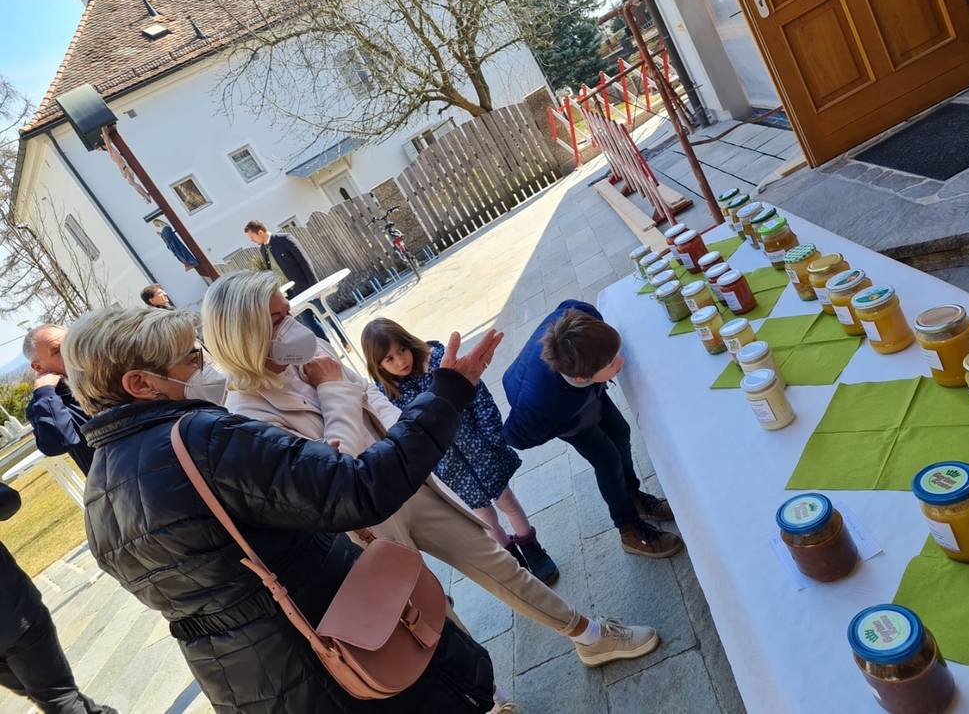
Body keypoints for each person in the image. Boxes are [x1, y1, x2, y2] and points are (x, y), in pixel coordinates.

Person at [202, 271, 661, 681]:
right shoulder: (248, 413)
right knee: (425, 607)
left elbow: (372, 398)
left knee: (495, 562)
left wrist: (407, 443)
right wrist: (332, 389)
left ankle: (589, 635)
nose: (292, 327)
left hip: (408, 482)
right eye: (277, 320)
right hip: (367, 521)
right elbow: (333, 467)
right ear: (244, 335)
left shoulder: (310, 353)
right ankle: (482, 695)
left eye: (288, 313)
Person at [61, 304, 500, 714]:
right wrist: (446, 395)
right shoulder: (200, 438)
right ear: (141, 383)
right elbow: (356, 489)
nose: (204, 365)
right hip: (349, 649)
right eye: (191, 357)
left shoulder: (97, 499)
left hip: (254, 688)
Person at [361, 318, 558, 585]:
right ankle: (513, 561)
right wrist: (433, 468)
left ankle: (532, 548)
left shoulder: (439, 362)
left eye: (402, 350)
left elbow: (479, 398)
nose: (400, 361)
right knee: (485, 517)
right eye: (389, 359)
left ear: (409, 342)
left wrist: (492, 437)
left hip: (482, 449)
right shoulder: (388, 395)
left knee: (507, 500)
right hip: (450, 470)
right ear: (378, 365)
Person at [503, 300, 685, 560]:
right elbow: (516, 436)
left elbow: (569, 305)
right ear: (581, 378)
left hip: (584, 391)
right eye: (612, 364)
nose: (621, 361)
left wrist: (603, 365)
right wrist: (560, 425)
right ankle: (628, 529)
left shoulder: (582, 317)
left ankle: (632, 496)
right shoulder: (545, 404)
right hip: (566, 415)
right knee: (607, 459)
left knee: (620, 431)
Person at [0, 481, 117, 714]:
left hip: (14, 617)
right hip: (15, 618)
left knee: (46, 692)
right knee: (57, 697)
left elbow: (8, 500)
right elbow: (7, 499)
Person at [243, 219, 351, 352]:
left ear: (260, 232)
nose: (251, 241)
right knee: (309, 323)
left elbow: (304, 261)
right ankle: (328, 350)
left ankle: (345, 340)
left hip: (307, 287)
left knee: (326, 314)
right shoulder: (263, 250)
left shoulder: (284, 239)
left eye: (252, 237)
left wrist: (315, 287)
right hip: (291, 293)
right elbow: (272, 272)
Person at [23, 325, 93, 476]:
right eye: (57, 351)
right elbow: (58, 443)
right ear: (38, 367)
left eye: (70, 343)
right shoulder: (44, 403)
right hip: (119, 481)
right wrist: (45, 393)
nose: (70, 352)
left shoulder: (104, 372)